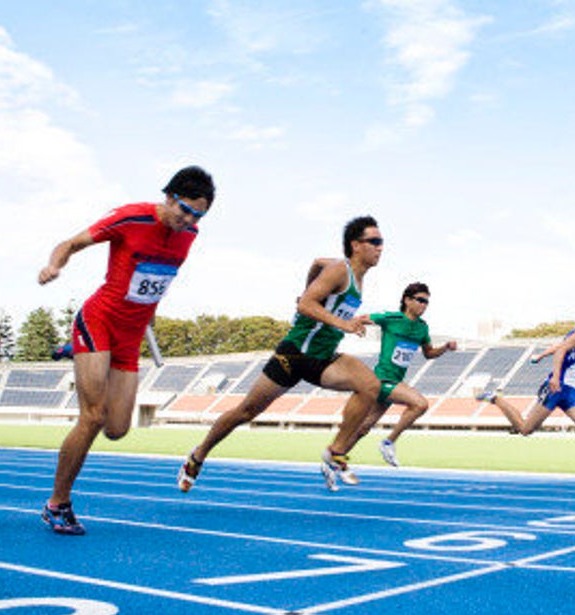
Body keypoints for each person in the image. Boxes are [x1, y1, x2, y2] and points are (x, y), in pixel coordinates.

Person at [38, 166, 215, 535]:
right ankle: (58, 504)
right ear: (169, 197)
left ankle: (77, 350)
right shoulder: (131, 216)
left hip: (130, 337)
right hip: (99, 320)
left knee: (116, 429)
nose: (189, 220)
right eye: (184, 210)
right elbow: (70, 244)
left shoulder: (189, 234)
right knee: (92, 416)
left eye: (198, 215)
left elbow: (154, 281)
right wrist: (54, 265)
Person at [178, 216, 384, 493]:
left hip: (322, 357)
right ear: (356, 245)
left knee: (370, 386)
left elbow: (315, 263)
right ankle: (198, 454)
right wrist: (341, 322)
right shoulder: (339, 270)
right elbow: (307, 306)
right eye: (375, 242)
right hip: (295, 354)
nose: (380, 248)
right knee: (246, 411)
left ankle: (335, 451)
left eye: (381, 242)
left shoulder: (354, 276)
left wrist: (308, 287)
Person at [478, 306, 575, 488]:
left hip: (569, 391)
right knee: (525, 428)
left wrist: (541, 355)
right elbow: (562, 350)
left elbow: (560, 346)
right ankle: (496, 399)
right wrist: (555, 377)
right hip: (557, 387)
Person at [344, 281, 457, 474]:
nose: (424, 305)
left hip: (395, 381)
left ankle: (335, 457)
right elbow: (361, 318)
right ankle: (389, 442)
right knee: (420, 404)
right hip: (382, 380)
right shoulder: (391, 318)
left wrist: (445, 348)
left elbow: (428, 353)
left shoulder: (422, 328)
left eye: (427, 302)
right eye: (420, 300)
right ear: (407, 300)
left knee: (363, 428)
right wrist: (356, 325)